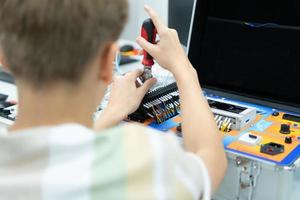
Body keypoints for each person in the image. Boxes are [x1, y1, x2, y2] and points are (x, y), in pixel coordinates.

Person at [0, 0, 227, 199]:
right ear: (108, 62)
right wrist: (183, 68)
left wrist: (111, 113)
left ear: (3, 57)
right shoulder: (142, 159)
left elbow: (58, 163)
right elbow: (210, 160)